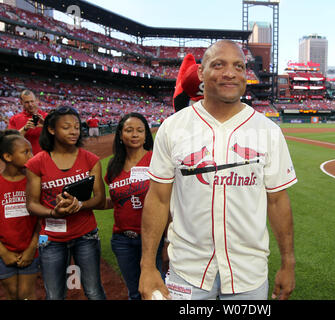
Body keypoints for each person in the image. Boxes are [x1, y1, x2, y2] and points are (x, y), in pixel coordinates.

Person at [139, 40, 297, 300]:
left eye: (238, 66)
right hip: (188, 271)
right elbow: (157, 198)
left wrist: (288, 264)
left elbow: (278, 201)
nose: (230, 73)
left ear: (246, 75)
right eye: (218, 64)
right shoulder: (173, 127)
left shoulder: (268, 132)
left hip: (248, 274)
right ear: (201, 73)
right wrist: (147, 266)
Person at [25, 106, 106, 300]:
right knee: (53, 295)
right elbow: (32, 204)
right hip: (49, 238)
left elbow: (100, 199)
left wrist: (79, 205)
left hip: (86, 235)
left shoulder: (90, 159)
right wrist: (54, 213)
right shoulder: (36, 163)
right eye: (67, 127)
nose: (74, 131)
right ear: (52, 129)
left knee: (94, 291)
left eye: (77, 127)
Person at [103, 113, 166, 300]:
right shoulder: (114, 164)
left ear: (146, 135)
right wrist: (82, 204)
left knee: (155, 292)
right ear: (120, 135)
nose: (135, 134)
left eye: (140, 130)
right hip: (122, 240)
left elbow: (166, 200)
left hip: (152, 239)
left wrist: (168, 240)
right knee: (134, 292)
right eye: (129, 130)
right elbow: (116, 199)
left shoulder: (156, 160)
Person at [0, 130, 39, 300]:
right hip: (3, 253)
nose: (32, 155)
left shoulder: (35, 182)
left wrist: (33, 248)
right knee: (12, 294)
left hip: (31, 251)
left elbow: (43, 222)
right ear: (8, 157)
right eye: (26, 152)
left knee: (26, 294)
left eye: (31, 151)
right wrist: (3, 252)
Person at [8, 90, 47, 155]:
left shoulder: (47, 117)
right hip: (22, 159)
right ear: (21, 102)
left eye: (32, 101)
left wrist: (46, 126)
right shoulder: (14, 119)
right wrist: (25, 128)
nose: (30, 105)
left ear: (37, 100)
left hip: (42, 158)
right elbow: (10, 140)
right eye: (27, 102)